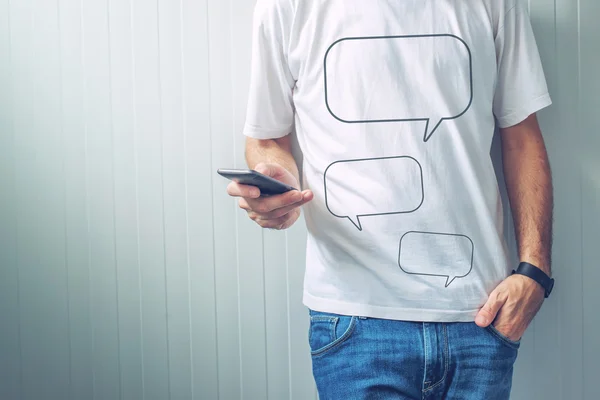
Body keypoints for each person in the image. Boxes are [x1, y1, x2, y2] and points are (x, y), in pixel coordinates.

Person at [227, 0, 554, 398]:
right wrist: (276, 183)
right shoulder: (287, 6)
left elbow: (522, 139)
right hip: (353, 318)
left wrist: (535, 273)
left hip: (481, 316)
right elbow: (266, 139)